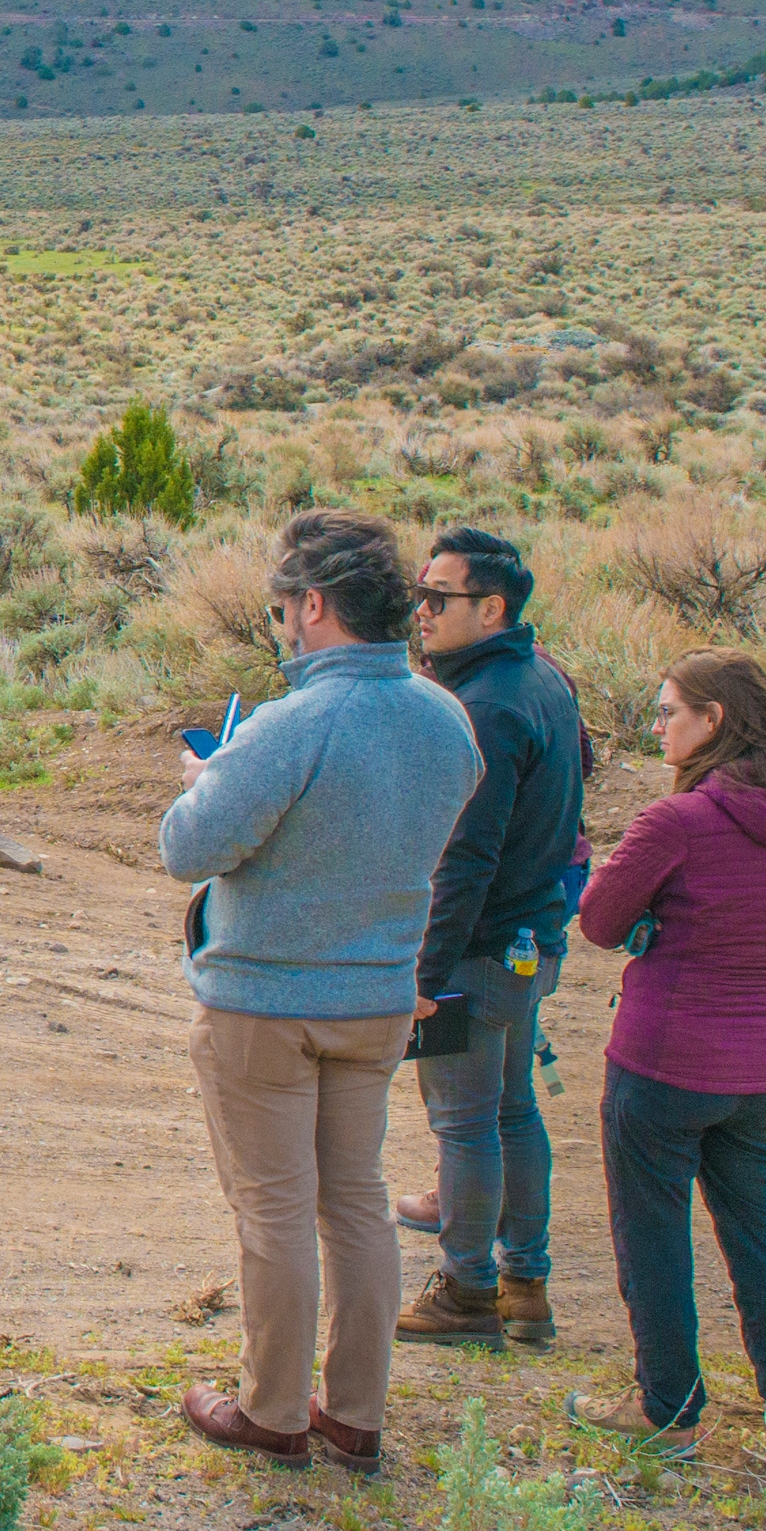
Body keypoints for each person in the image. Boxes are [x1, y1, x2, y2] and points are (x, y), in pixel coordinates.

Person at [161, 509, 481, 1475]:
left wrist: (208, 779)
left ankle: (272, 1411)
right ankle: (356, 1410)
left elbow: (189, 847)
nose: (281, 629)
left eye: (282, 612)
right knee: (356, 1203)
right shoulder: (444, 717)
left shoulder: (293, 723)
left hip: (266, 1000)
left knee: (274, 1211)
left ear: (314, 606)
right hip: (377, 996)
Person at [569, 650, 766, 1461]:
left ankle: (668, 1408)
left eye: (669, 710)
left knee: (652, 1232)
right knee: (758, 1232)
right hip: (762, 1063)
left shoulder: (675, 822)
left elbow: (600, 922)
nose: (657, 726)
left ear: (712, 720)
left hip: (664, 1056)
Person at [395, 525, 590, 1348]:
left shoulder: (484, 708)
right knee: (510, 1113)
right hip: (527, 939)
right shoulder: (540, 678)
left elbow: (463, 859)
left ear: (493, 608)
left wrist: (422, 976)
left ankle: (468, 1290)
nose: (423, 611)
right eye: (420, 593)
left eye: (440, 599)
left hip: (476, 950)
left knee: (466, 1124)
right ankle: (524, 1282)